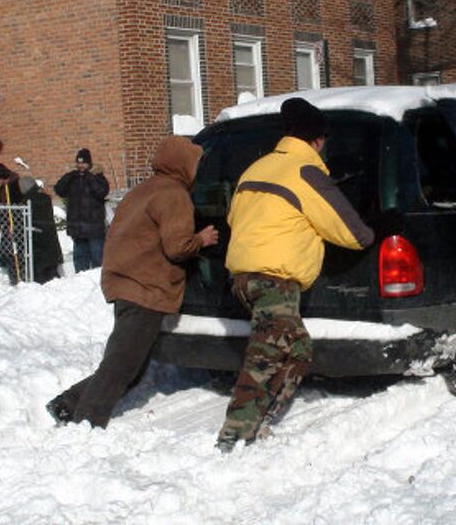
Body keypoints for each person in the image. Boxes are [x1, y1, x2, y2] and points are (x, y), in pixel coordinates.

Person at [216, 97, 375, 452]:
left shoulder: (254, 169)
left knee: (298, 348)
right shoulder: (307, 172)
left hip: (241, 279)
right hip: (275, 282)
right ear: (317, 139)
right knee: (264, 358)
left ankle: (263, 418)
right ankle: (233, 436)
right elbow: (352, 233)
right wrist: (378, 228)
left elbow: (234, 219)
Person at [46, 136, 219, 428]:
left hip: (126, 282)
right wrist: (201, 239)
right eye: (195, 162)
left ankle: (67, 404)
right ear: (184, 164)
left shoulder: (144, 190)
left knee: (131, 366)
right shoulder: (173, 194)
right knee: (123, 364)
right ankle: (86, 421)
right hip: (145, 289)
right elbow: (177, 247)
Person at [54, 148, 110, 273]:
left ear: (89, 164)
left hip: (94, 229)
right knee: (80, 262)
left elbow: (101, 192)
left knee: (98, 260)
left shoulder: (98, 177)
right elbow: (59, 190)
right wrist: (68, 177)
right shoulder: (73, 179)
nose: (80, 166)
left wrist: (90, 178)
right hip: (77, 229)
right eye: (78, 163)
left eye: (83, 163)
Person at [18, 176, 64, 284]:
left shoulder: (27, 201)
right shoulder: (45, 198)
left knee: (40, 273)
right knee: (52, 272)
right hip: (49, 238)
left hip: (36, 240)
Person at [0, 163, 24, 285]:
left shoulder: (15, 185)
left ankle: (19, 278)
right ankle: (9, 276)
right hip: (6, 223)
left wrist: (15, 224)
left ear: (3, 177)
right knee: (6, 250)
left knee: (17, 250)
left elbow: (19, 205)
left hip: (17, 223)